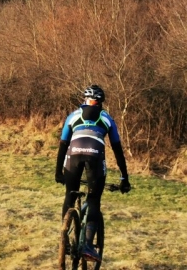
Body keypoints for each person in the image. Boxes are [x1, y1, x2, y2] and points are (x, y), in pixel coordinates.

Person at [55, 84, 131, 263]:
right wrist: (124, 178)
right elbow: (118, 150)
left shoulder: (72, 116)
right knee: (94, 199)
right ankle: (88, 245)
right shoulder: (107, 118)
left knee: (70, 194)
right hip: (95, 156)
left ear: (84, 100)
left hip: (72, 156)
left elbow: (63, 145)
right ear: (101, 103)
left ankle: (64, 238)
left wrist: (58, 172)